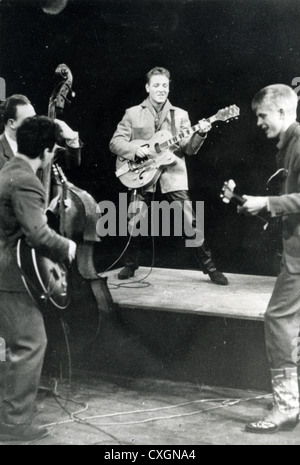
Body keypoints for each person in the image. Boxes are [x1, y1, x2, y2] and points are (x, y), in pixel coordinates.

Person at [109, 67, 228, 286]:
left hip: (172, 174)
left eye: (165, 85)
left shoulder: (180, 115)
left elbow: (189, 149)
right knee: (134, 219)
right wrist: (135, 151)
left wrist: (201, 132)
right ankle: (130, 264)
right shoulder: (132, 113)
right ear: (148, 87)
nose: (161, 89)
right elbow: (115, 143)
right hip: (141, 173)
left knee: (190, 220)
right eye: (156, 85)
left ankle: (210, 268)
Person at [0, 115, 77, 442]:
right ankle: (15, 425)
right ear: (46, 151)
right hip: (9, 275)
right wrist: (67, 245)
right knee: (30, 343)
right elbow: (37, 234)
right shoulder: (27, 180)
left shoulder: (8, 171)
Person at [239, 84, 300, 434]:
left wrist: (266, 203)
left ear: (281, 112)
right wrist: (260, 208)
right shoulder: (289, 145)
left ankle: (286, 407)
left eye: (262, 115)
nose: (259, 122)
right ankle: (291, 401)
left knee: (278, 321)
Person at [0, 94, 82, 172]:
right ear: (12, 123)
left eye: (35, 117)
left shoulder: (39, 142)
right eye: (29, 119)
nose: (35, 122)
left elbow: (71, 162)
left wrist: (72, 139)